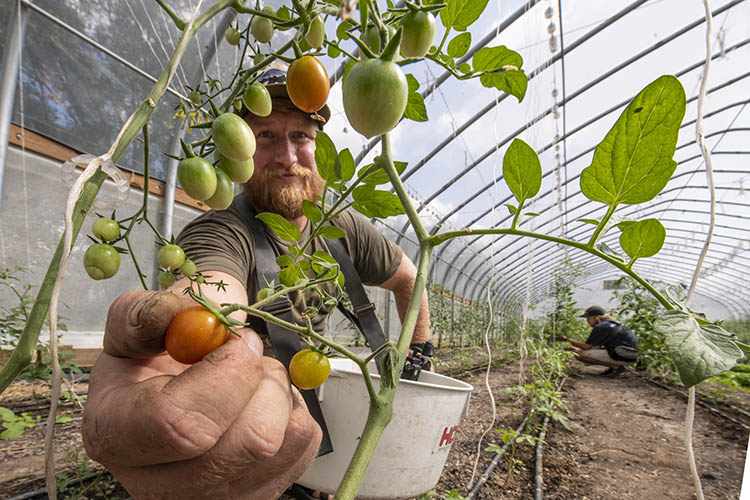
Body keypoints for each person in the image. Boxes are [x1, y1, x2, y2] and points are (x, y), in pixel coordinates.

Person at [81, 67, 432, 500]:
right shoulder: (222, 230)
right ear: (238, 152)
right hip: (240, 442)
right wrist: (192, 316)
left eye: (301, 136)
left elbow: (409, 279)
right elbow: (213, 287)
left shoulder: (344, 226)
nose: (287, 156)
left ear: (318, 147)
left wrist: (420, 350)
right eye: (265, 137)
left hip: (320, 420)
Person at [559, 305, 638, 378]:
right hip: (630, 355)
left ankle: (617, 367)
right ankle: (616, 367)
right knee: (579, 351)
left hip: (623, 356)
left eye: (589, 318)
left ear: (597, 317)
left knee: (579, 355)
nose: (587, 321)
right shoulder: (611, 324)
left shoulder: (600, 327)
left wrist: (568, 340)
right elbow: (596, 346)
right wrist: (576, 348)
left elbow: (587, 346)